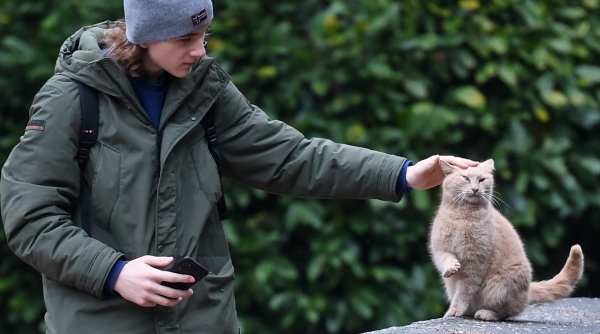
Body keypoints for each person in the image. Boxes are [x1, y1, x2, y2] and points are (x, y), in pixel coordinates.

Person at [0, 0, 478, 333]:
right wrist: (114, 272)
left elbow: (289, 156)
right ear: (145, 37)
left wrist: (404, 173)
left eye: (205, 34)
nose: (201, 49)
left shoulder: (204, 90)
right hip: (100, 324)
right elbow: (30, 219)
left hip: (205, 322)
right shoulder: (71, 99)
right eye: (187, 37)